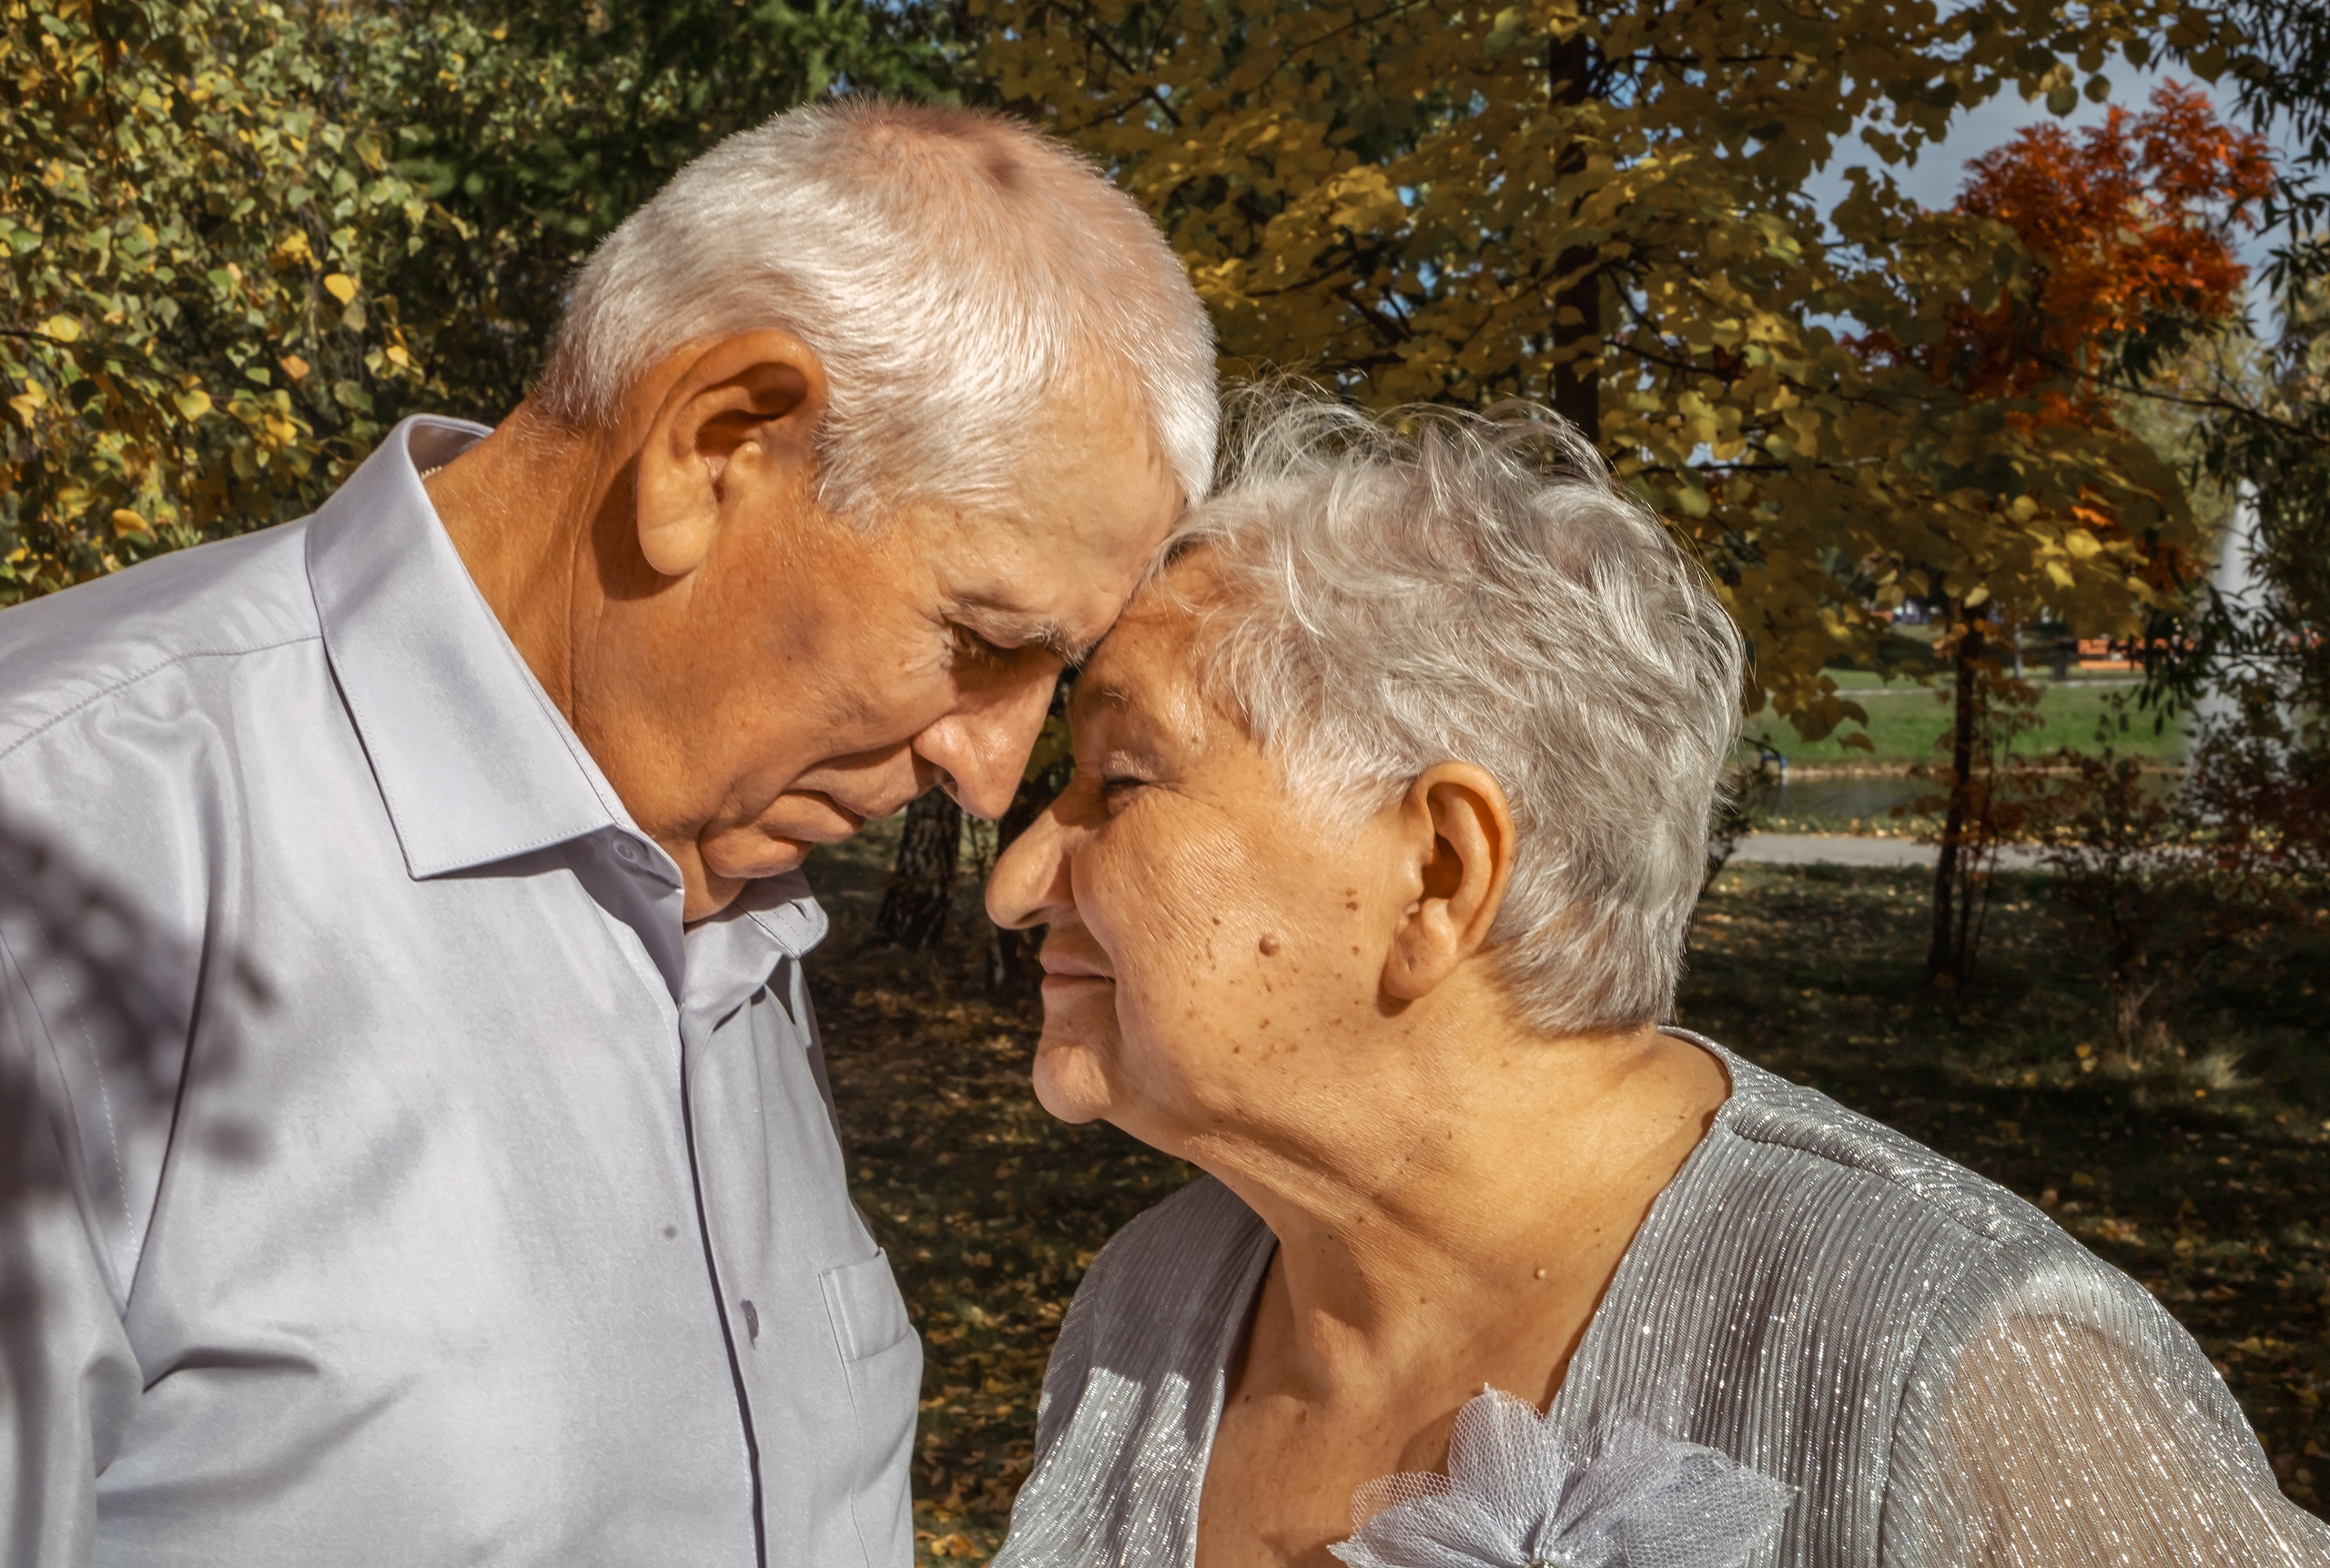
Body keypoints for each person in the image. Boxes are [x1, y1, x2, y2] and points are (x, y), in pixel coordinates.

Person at [0, 103, 1214, 1567]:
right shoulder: (58, 847)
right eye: (978, 641)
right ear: (714, 449)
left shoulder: (725, 874)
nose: (989, 769)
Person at [983, 395, 2330, 1568]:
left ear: (1441, 875)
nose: (1017, 876)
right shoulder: (1147, 1310)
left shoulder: (1950, 1363)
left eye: (1124, 779)